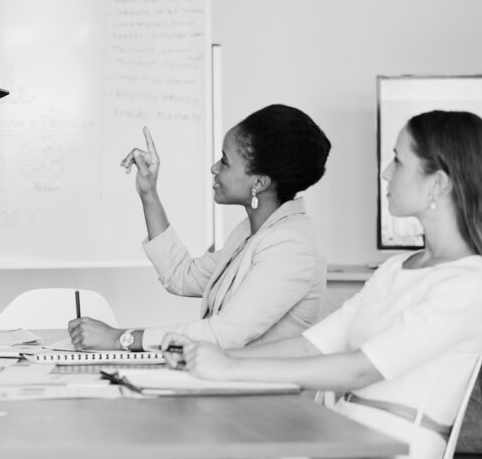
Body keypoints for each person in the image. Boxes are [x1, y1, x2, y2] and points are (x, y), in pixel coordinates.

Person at [163, 110, 482, 459]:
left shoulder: (468, 284)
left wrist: (229, 367)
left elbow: (359, 368)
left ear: (437, 183)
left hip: (390, 448)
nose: (386, 172)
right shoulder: (396, 268)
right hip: (342, 434)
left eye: (398, 161)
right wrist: (207, 356)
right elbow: (311, 346)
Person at [69, 104, 332, 352]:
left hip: (265, 397)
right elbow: (181, 276)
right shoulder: (252, 232)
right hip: (230, 385)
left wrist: (120, 339)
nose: (214, 168)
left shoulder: (291, 246)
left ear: (260, 182)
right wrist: (149, 193)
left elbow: (223, 335)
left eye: (225, 161)